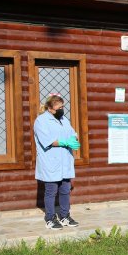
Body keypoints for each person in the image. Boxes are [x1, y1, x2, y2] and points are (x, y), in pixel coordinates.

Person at [34, 94, 81, 230]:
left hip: (65, 160)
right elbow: (46, 140)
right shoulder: (41, 121)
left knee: (65, 190)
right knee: (51, 191)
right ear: (49, 108)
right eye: (58, 107)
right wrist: (64, 142)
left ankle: (65, 216)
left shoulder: (63, 119)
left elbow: (73, 133)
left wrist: (73, 140)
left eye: (62, 106)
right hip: (51, 161)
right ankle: (50, 218)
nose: (61, 109)